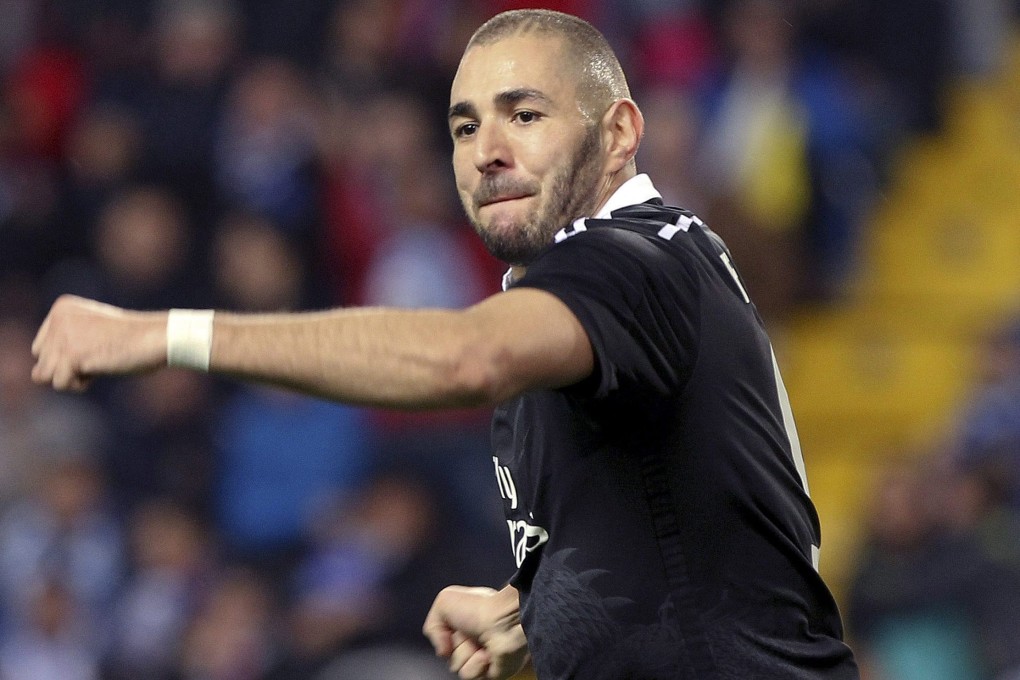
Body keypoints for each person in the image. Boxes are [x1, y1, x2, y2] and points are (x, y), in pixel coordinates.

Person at [31, 8, 858, 680]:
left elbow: (464, 357)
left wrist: (163, 331)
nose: (487, 151)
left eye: (525, 115)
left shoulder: (633, 257)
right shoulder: (583, 309)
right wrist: (527, 615)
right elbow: (680, 534)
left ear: (619, 133)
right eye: (465, 128)